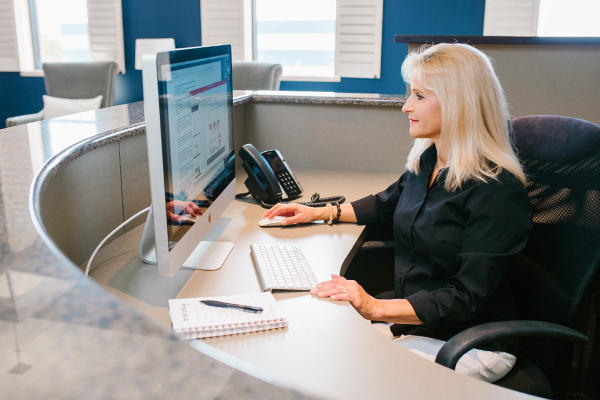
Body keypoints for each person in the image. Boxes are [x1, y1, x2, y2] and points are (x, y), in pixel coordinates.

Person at [263, 43, 533, 382]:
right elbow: (385, 205)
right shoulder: (430, 162)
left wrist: (374, 307)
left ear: (458, 103)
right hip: (419, 321)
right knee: (318, 348)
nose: (407, 106)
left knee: (346, 374)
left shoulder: (497, 192)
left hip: (470, 341)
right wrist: (317, 212)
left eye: (420, 96)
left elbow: (465, 298)